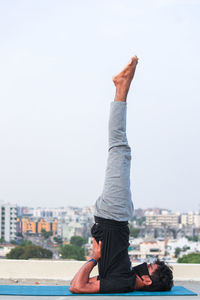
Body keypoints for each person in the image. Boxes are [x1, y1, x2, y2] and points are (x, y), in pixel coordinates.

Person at [69, 56, 173, 294]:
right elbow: (83, 284)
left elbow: (76, 287)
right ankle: (121, 87)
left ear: (147, 280)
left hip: (113, 214)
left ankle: (121, 87)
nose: (146, 263)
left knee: (119, 148)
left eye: (151, 266)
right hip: (114, 216)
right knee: (120, 150)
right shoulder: (123, 277)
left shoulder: (124, 283)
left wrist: (94, 258)